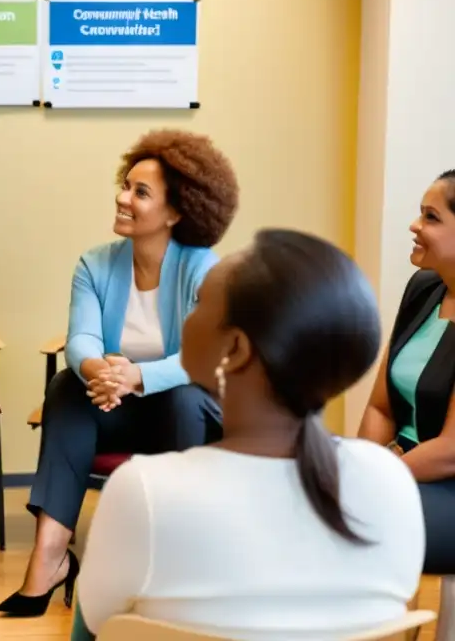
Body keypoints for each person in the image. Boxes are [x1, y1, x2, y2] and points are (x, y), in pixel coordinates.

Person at [70, 229, 425, 640]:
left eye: (199, 303)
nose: (188, 316)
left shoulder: (144, 489)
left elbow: (98, 624)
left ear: (235, 348)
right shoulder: (390, 479)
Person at [0, 128, 240, 616]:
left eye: (140, 192)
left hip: (180, 413)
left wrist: (138, 377)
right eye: (125, 184)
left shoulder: (203, 269)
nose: (122, 197)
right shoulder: (95, 263)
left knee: (186, 396)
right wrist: (98, 372)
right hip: (114, 405)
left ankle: (177, 561)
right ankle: (49, 557)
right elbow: (82, 339)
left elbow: (203, 356)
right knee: (68, 386)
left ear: (176, 212)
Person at [358, 169, 455, 638]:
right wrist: (362, 466)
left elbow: (452, 450)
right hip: (405, 468)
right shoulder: (424, 287)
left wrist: (372, 479)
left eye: (430, 217)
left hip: (447, 484)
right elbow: (381, 406)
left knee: (350, 519)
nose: (415, 225)